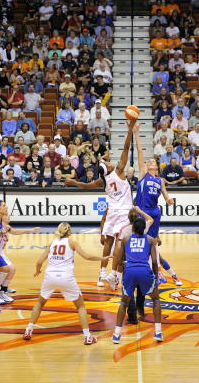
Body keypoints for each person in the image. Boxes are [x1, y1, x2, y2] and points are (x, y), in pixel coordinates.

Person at [65, 120, 134, 287]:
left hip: (112, 213)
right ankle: (114, 275)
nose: (109, 161)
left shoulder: (102, 181)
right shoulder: (118, 171)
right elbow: (126, 149)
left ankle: (102, 273)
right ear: (108, 169)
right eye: (107, 163)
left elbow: (84, 185)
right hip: (124, 213)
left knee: (108, 243)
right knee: (119, 244)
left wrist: (73, 182)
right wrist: (130, 130)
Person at [23, 222, 110, 345]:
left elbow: (39, 261)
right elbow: (87, 257)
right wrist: (102, 259)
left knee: (40, 303)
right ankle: (87, 336)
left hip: (50, 276)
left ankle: (28, 330)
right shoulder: (72, 242)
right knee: (80, 306)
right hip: (66, 277)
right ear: (69, 231)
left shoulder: (52, 243)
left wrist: (38, 271)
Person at [133, 123, 181, 285]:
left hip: (155, 213)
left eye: (153, 160)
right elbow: (140, 152)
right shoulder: (142, 174)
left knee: (154, 245)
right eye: (149, 160)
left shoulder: (160, 180)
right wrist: (137, 132)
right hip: (143, 213)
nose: (150, 161)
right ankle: (161, 272)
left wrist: (169, 200)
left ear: (156, 166)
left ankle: (161, 272)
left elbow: (166, 195)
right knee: (145, 244)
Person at [111, 217, 163, 344]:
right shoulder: (151, 240)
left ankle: (116, 335)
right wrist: (156, 277)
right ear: (144, 228)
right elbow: (155, 262)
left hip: (129, 271)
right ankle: (158, 332)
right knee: (155, 299)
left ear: (133, 228)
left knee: (124, 302)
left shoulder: (126, 239)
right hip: (144, 271)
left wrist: (116, 275)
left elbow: (118, 258)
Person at [0, 214, 40, 302]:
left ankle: (4, 287)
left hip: (1, 253)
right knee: (10, 268)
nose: (9, 216)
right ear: (2, 217)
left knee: (12, 269)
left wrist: (31, 230)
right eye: (6, 215)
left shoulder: (7, 227)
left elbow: (17, 231)